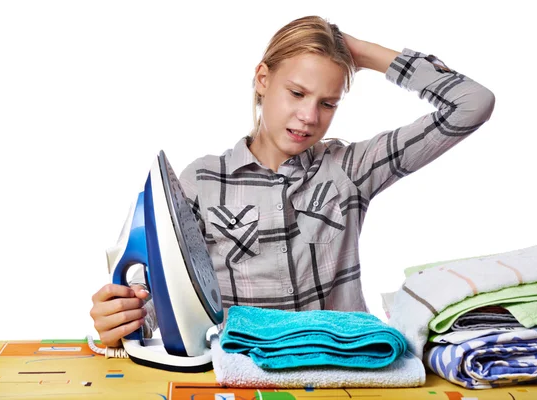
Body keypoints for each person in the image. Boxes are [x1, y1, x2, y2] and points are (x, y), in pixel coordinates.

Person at [90, 15, 495, 347]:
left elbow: (472, 104)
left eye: (327, 102)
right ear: (263, 79)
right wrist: (123, 317)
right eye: (297, 92)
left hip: (344, 373)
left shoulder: (350, 169)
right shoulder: (201, 181)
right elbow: (160, 303)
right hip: (242, 376)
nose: (309, 116)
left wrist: (359, 52)